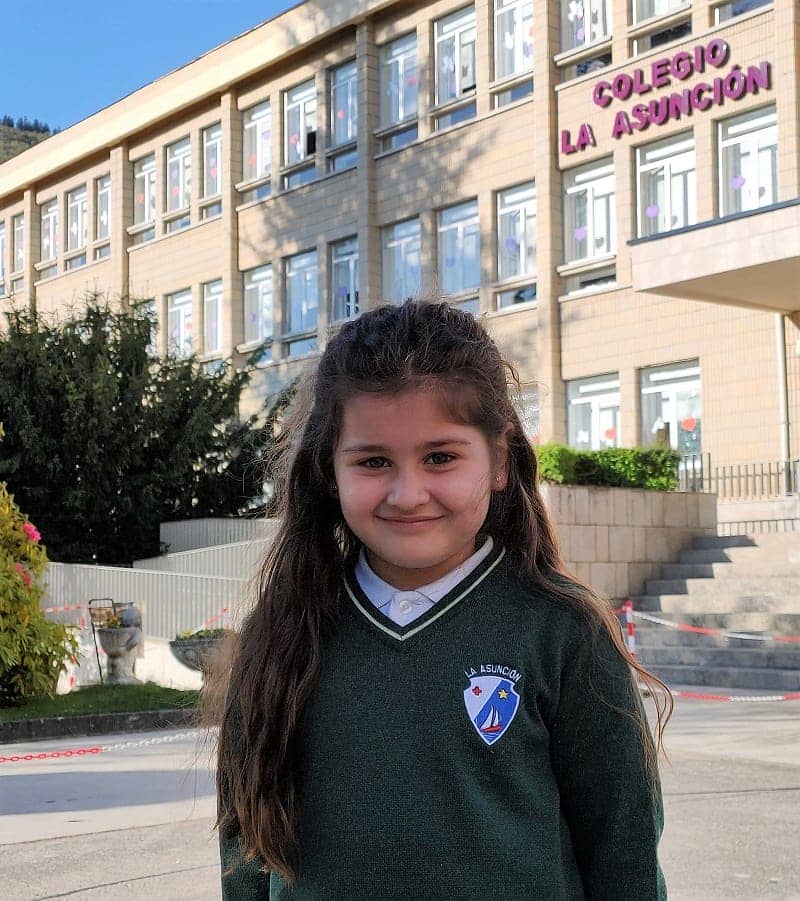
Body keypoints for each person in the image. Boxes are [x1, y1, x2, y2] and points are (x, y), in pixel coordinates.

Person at [215, 299, 672, 900]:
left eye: (440, 457)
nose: (408, 494)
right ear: (329, 470)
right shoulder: (282, 633)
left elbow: (624, 852)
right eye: (373, 461)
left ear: (500, 460)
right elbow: (245, 850)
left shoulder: (563, 631)